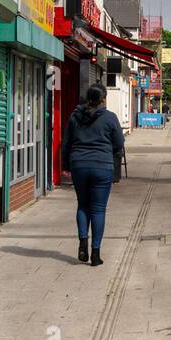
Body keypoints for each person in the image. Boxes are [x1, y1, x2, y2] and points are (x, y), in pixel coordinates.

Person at [61, 84, 125, 267]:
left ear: (87, 98)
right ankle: (95, 253)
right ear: (103, 99)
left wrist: (66, 165)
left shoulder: (75, 116)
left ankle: (83, 241)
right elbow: (119, 143)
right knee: (98, 209)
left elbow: (66, 142)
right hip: (102, 167)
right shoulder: (110, 118)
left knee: (83, 205)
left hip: (79, 165)